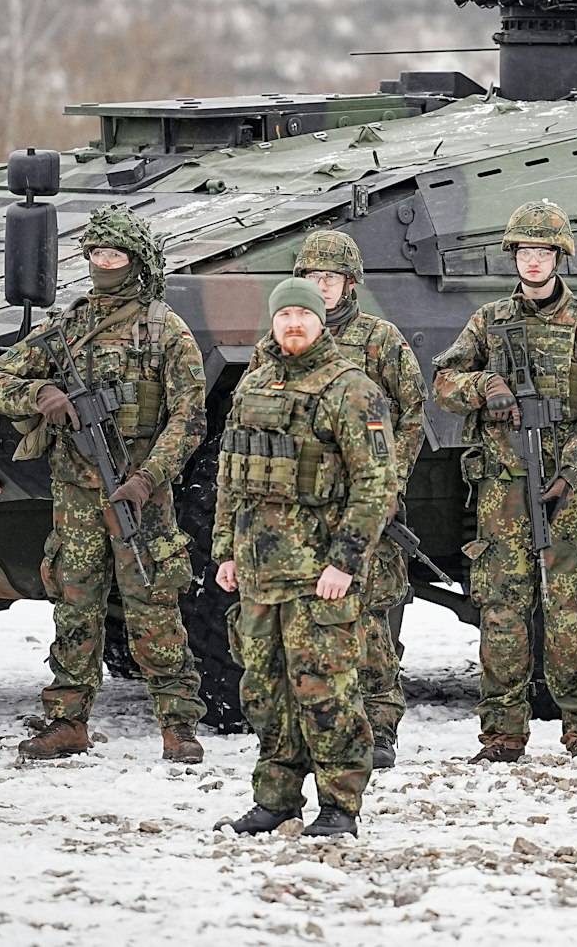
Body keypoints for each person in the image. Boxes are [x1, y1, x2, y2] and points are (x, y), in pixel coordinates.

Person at [0, 205, 208, 763]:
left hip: (138, 494)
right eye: (95, 255)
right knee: (74, 605)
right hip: (77, 496)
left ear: (135, 262)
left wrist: (148, 478)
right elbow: (1, 381)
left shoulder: (164, 329)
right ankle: (67, 720)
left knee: (153, 605)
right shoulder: (68, 326)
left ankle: (178, 724)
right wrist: (42, 397)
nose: (103, 264)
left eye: (114, 255)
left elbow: (190, 418)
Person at [431, 199, 577, 762]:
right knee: (502, 608)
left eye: (542, 253)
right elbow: (444, 380)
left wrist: (570, 472)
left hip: (568, 487)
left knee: (569, 608)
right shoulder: (489, 321)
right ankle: (502, 735)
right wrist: (484, 387)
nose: (533, 263)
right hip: (502, 488)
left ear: (558, 257)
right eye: (524, 253)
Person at [216, 278, 398, 838]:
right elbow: (231, 476)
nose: (293, 324)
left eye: (304, 315)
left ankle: (341, 804)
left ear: (322, 321)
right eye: (284, 315)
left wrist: (344, 562)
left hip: (318, 574)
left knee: (325, 691)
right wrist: (226, 551)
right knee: (264, 692)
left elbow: (376, 483)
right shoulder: (253, 383)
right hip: (258, 572)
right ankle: (276, 798)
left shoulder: (350, 389)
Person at [245, 230, 425, 769]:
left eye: (330, 278)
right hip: (302, 516)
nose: (320, 288)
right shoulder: (278, 342)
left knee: (372, 616)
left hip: (369, 506)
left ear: (350, 284)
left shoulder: (381, 340)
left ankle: (381, 722)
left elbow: (412, 418)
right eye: (311, 278)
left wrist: (387, 487)